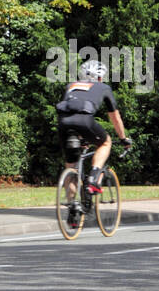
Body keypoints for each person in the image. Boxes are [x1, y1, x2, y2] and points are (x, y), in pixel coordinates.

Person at [56, 60, 132, 206]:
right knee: (105, 142)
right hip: (84, 120)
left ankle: (73, 207)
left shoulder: (71, 86)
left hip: (63, 123)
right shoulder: (103, 87)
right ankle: (93, 177)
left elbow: (70, 109)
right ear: (100, 77)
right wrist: (123, 138)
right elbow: (115, 118)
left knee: (71, 166)